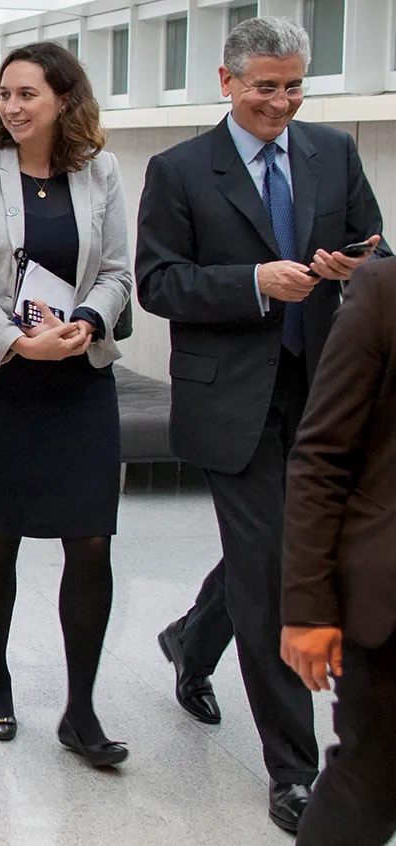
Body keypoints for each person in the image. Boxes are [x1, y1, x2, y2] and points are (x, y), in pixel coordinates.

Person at [134, 16, 387, 833]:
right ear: (226, 81)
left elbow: (375, 247)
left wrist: (361, 262)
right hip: (229, 398)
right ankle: (295, 770)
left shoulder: (333, 152)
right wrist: (250, 283)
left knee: (264, 553)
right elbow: (159, 285)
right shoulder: (178, 171)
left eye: (292, 86)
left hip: (322, 387)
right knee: (276, 567)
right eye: (264, 86)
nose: (280, 101)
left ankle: (192, 639)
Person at [0, 42, 133, 769]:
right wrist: (19, 344)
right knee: (1, 534)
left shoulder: (101, 171)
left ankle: (80, 709)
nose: (13, 108)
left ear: (63, 98)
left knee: (90, 540)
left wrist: (86, 321)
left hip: (80, 380)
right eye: (5, 95)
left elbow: (117, 270)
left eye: (28, 94)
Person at [278, 257, 396, 846]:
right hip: (389, 604)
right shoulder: (385, 291)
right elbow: (321, 457)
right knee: (366, 788)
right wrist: (307, 608)